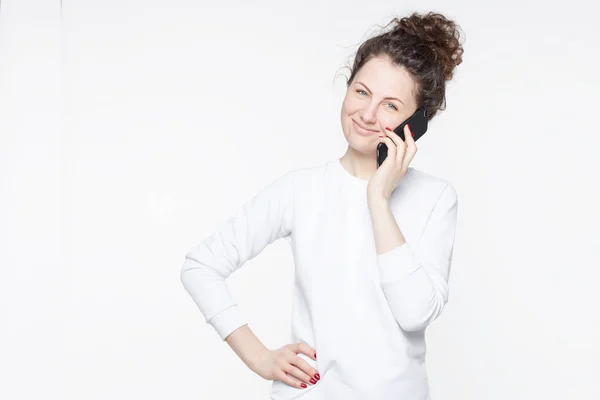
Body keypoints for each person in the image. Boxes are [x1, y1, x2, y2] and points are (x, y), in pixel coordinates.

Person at [181, 11, 464, 400]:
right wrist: (259, 357)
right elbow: (201, 266)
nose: (367, 114)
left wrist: (379, 198)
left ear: (416, 123)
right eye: (362, 92)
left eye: (390, 106)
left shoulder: (436, 198)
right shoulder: (300, 190)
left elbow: (415, 313)